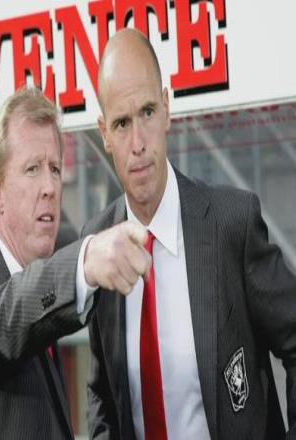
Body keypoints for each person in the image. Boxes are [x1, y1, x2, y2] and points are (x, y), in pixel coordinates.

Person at [83, 28, 296, 439]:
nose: (138, 143)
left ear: (166, 108)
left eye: (147, 112)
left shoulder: (231, 223)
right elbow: (101, 393)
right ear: (104, 133)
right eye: (122, 123)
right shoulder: (99, 248)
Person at [0, 86, 150, 439]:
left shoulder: (39, 302)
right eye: (32, 169)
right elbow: (0, 318)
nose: (50, 187)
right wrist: (83, 262)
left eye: (55, 169)